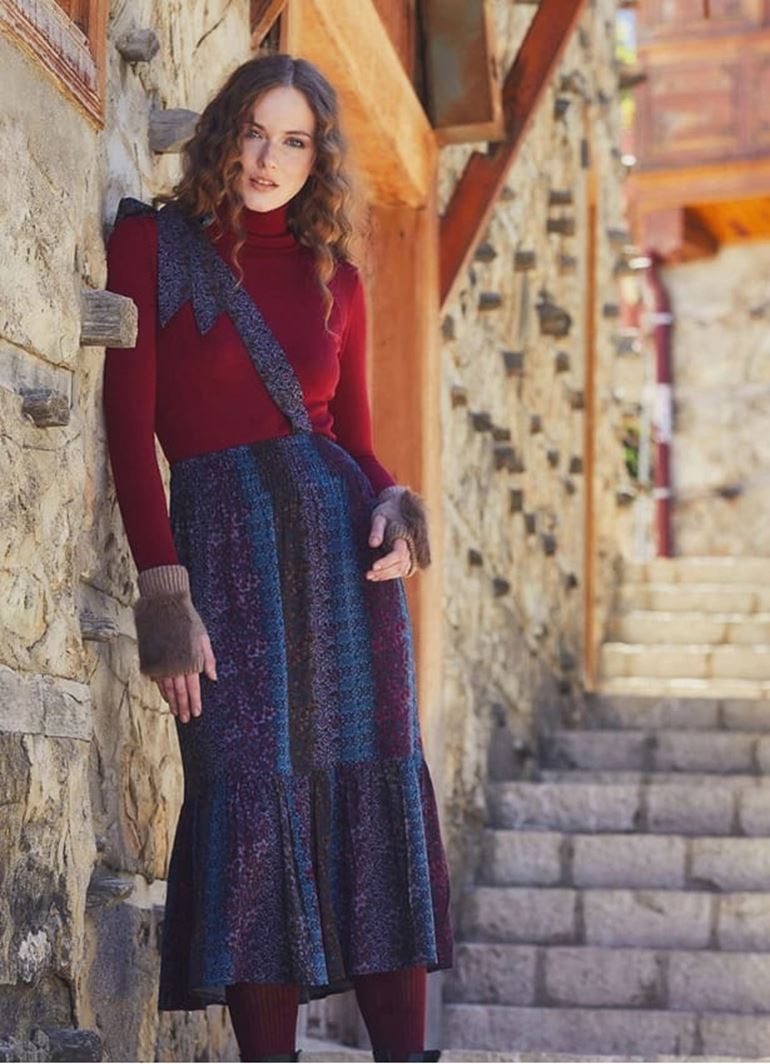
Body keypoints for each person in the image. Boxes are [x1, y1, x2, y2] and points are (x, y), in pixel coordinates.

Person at [102, 51, 453, 1063]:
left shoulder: (335, 279)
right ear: (225, 132)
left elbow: (356, 444)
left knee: (374, 797)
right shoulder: (152, 245)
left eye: (293, 142)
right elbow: (128, 429)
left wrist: (398, 512)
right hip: (224, 559)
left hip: (345, 577)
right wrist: (165, 597)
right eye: (255, 132)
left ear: (316, 158)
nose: (268, 158)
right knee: (249, 804)